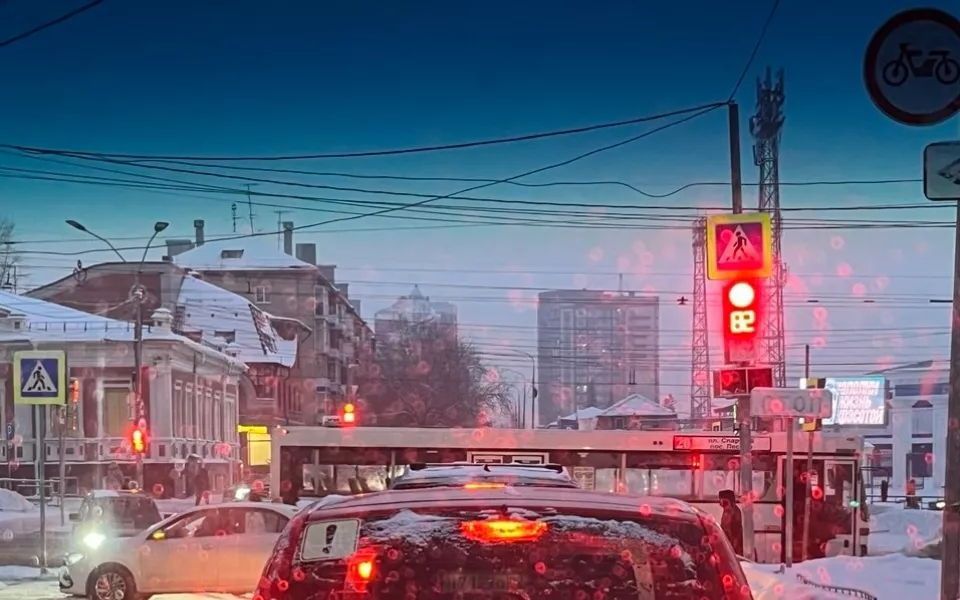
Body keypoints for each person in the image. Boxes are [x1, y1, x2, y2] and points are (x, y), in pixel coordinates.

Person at [718, 489, 744, 556]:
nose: (720, 502)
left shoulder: (732, 512)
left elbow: (735, 532)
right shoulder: (729, 510)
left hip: (732, 546)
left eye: (722, 500)